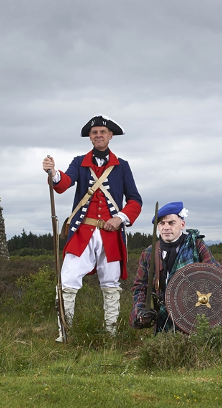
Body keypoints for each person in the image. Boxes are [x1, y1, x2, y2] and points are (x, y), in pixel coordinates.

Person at [42, 115, 142, 341]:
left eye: (102, 132)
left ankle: (111, 335)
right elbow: (64, 184)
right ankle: (64, 333)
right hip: (83, 233)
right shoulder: (79, 162)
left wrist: (120, 218)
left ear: (110, 136)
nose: (98, 135)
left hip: (110, 235)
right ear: (90, 136)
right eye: (94, 132)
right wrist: (53, 173)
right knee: (66, 281)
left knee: (111, 285)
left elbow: (135, 200)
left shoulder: (122, 166)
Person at [130, 202, 221, 332]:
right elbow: (140, 288)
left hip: (197, 315)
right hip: (164, 317)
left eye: (171, 223)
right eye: (161, 223)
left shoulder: (197, 246)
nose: (166, 227)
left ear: (182, 225)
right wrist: (140, 311)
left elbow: (217, 277)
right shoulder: (149, 253)